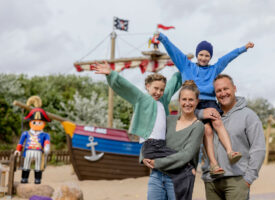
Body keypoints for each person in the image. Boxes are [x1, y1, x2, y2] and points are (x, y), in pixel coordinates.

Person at [157, 32, 254, 175]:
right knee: (207, 131)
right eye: (201, 54)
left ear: (210, 57)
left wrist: (243, 48)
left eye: (207, 55)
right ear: (197, 55)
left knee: (217, 122)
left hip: (210, 103)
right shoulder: (186, 66)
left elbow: (227, 58)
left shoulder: (214, 69)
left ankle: (230, 152)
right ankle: (213, 164)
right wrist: (163, 38)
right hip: (193, 103)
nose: (203, 58)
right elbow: (174, 51)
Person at [94, 61, 182, 199]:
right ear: (147, 86)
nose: (158, 92)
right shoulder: (141, 98)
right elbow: (126, 87)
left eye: (161, 89)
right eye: (155, 88)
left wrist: (181, 70)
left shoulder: (164, 100)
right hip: (150, 144)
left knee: (173, 163)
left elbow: (173, 83)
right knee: (175, 162)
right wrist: (111, 74)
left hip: (162, 145)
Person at [199, 74, 265, 200]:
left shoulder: (249, 116)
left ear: (234, 88)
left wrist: (248, 180)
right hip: (211, 180)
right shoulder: (208, 115)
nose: (223, 93)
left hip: (237, 181)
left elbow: (259, 149)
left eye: (226, 89)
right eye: (218, 91)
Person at [142, 80, 204, 200]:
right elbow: (151, 137)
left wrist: (157, 162)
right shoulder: (168, 119)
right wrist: (143, 156)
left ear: (197, 101)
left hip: (180, 177)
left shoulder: (198, 126)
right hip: (157, 176)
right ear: (179, 100)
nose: (187, 103)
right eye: (184, 99)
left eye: (191, 100)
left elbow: (186, 155)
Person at [14, 96, 51, 184]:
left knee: (38, 165)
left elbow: (47, 142)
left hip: (38, 152)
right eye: (34, 122)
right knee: (26, 164)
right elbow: (21, 142)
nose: (37, 124)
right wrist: (18, 150)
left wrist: (47, 147)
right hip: (28, 151)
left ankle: (37, 179)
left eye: (39, 122)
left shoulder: (45, 135)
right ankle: (24, 178)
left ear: (44, 123)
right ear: (31, 122)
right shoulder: (26, 133)